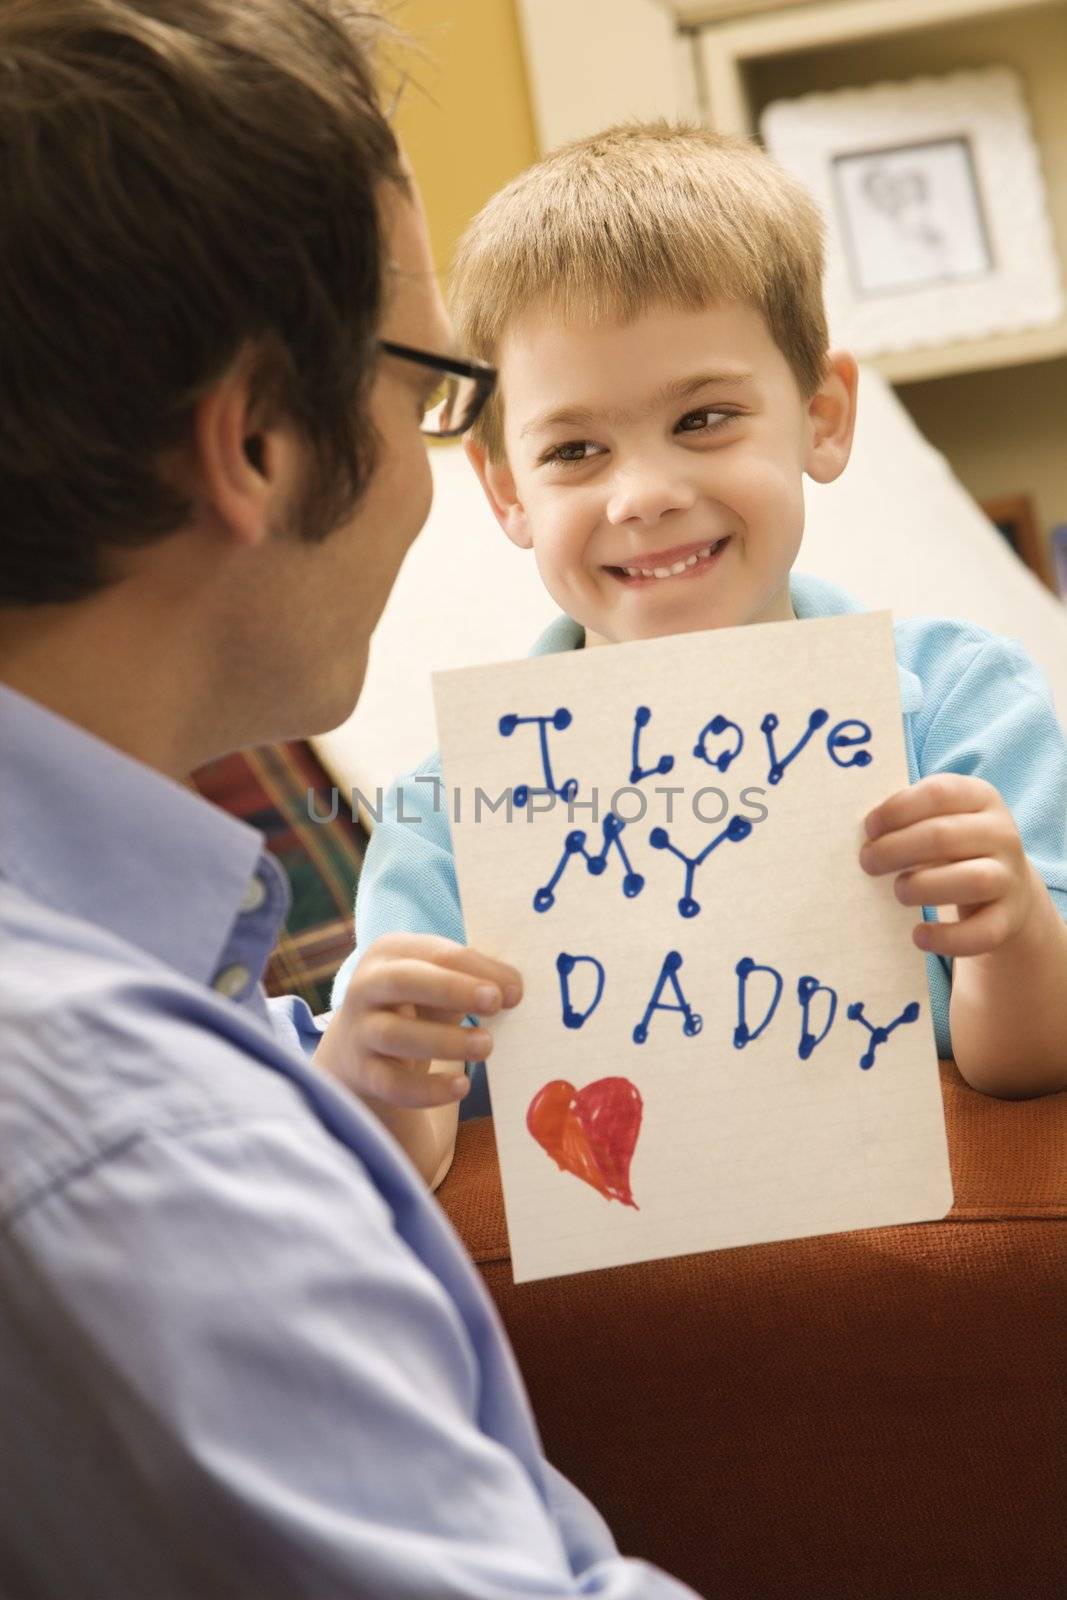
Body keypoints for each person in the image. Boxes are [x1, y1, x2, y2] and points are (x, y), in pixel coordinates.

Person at [0, 5, 702, 1596]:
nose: (421, 474)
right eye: (434, 390)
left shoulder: (157, 994)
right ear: (252, 439)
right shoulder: (128, 1142)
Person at [333, 121, 1067, 1183]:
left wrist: (1007, 931)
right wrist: (368, 1069)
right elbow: (420, 1159)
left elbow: (1030, 1071)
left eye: (705, 418)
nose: (644, 495)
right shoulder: (445, 819)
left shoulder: (965, 709)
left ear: (819, 418)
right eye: (574, 450)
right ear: (505, 491)